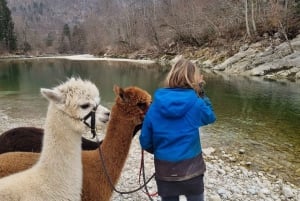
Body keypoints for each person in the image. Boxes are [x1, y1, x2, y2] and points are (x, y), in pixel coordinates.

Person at [139, 58, 216, 201]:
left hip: (165, 172)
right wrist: (201, 91)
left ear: (171, 75)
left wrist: (161, 150)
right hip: (192, 172)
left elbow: (145, 141)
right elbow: (210, 117)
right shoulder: (196, 103)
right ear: (193, 79)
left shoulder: (155, 106)